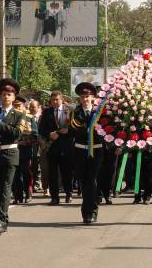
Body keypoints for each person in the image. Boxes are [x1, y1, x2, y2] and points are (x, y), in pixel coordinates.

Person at [0, 78, 25, 235]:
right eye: (3, 94)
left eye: (9, 94)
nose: (6, 97)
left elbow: (17, 133)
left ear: (14, 97)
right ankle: (2, 218)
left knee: (5, 188)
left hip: (10, 154)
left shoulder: (19, 115)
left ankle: (0, 221)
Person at [70, 82, 104, 224]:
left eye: (88, 96)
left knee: (91, 180)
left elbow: (105, 130)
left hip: (96, 149)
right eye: (83, 96)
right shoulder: (75, 113)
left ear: (93, 97)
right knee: (84, 182)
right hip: (80, 150)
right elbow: (75, 129)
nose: (85, 99)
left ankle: (90, 212)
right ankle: (87, 211)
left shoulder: (100, 112)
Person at [38, 90, 74, 204]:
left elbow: (76, 127)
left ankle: (69, 193)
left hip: (66, 146)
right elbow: (41, 129)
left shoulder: (70, 110)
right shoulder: (47, 111)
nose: (54, 102)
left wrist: (68, 131)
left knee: (66, 172)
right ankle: (54, 197)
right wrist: (49, 134)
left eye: (57, 100)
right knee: (52, 173)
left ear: (62, 100)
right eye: (52, 100)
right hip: (52, 146)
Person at [12, 96, 37, 204]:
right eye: (15, 106)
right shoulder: (10, 117)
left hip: (26, 149)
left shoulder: (29, 117)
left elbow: (35, 134)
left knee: (26, 172)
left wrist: (27, 141)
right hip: (13, 149)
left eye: (19, 106)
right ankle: (17, 196)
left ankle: (28, 193)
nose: (18, 108)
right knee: (15, 174)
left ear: (24, 106)